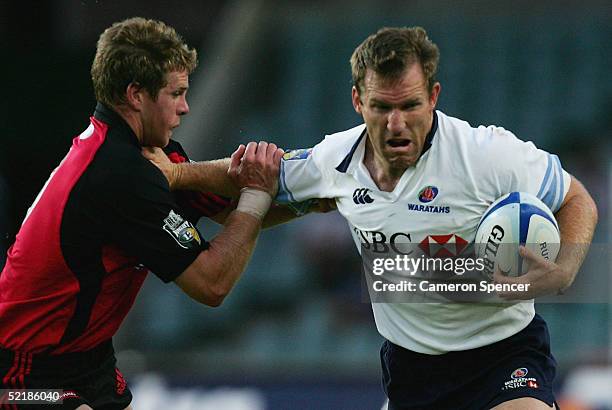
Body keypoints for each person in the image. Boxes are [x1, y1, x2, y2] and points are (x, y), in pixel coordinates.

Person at [148, 26, 599, 409]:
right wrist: (176, 175)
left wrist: (561, 273)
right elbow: (257, 177)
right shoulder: (336, 160)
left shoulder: (487, 154)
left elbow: (576, 197)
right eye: (382, 107)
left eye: (410, 106)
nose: (396, 123)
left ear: (434, 97)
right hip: (413, 368)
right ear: (358, 102)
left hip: (505, 353)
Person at [0, 17, 284, 410]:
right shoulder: (119, 174)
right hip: (24, 372)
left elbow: (236, 212)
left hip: (91, 360)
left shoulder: (140, 153)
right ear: (136, 94)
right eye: (176, 93)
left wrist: (319, 193)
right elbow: (212, 284)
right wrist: (257, 193)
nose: (186, 107)